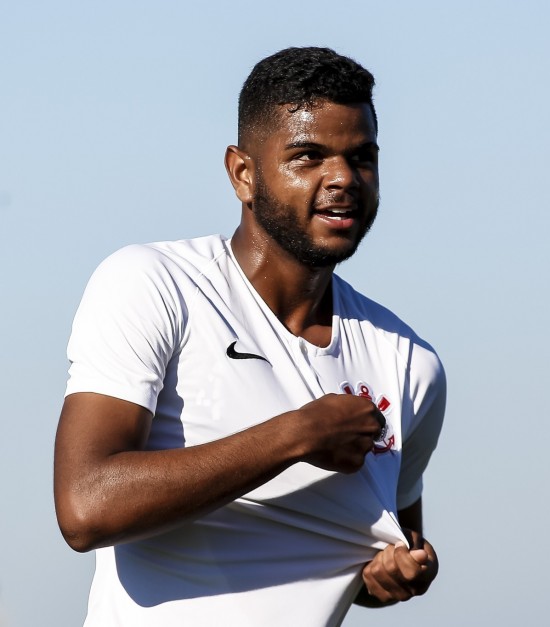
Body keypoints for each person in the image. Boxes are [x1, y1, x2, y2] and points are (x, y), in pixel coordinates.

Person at [54, 47, 446, 627]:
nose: (342, 178)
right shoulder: (155, 284)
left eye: (361, 158)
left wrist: (387, 577)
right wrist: (297, 433)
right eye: (308, 156)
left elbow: (385, 548)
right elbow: (86, 506)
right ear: (243, 173)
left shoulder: (411, 362)